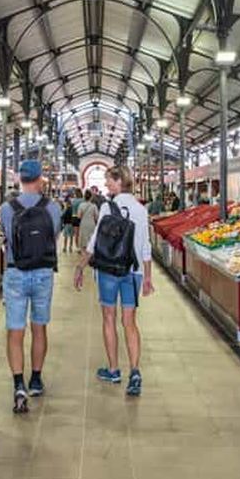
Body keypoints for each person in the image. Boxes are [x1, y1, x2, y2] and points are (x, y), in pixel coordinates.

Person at [74, 167, 153, 397]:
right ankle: (135, 372)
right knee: (130, 322)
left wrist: (80, 266)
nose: (106, 184)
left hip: (108, 271)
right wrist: (147, 276)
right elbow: (145, 246)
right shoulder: (140, 209)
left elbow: (95, 242)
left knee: (109, 318)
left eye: (109, 180)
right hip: (133, 272)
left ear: (119, 181)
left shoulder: (108, 208)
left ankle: (114, 369)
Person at [0, 160, 62, 413]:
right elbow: (53, 237)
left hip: (15, 272)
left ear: (20, 179)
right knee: (39, 328)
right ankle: (36, 379)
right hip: (43, 273)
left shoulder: (7, 208)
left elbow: (7, 238)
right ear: (39, 179)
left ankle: (18, 385)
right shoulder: (53, 207)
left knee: (15, 332)